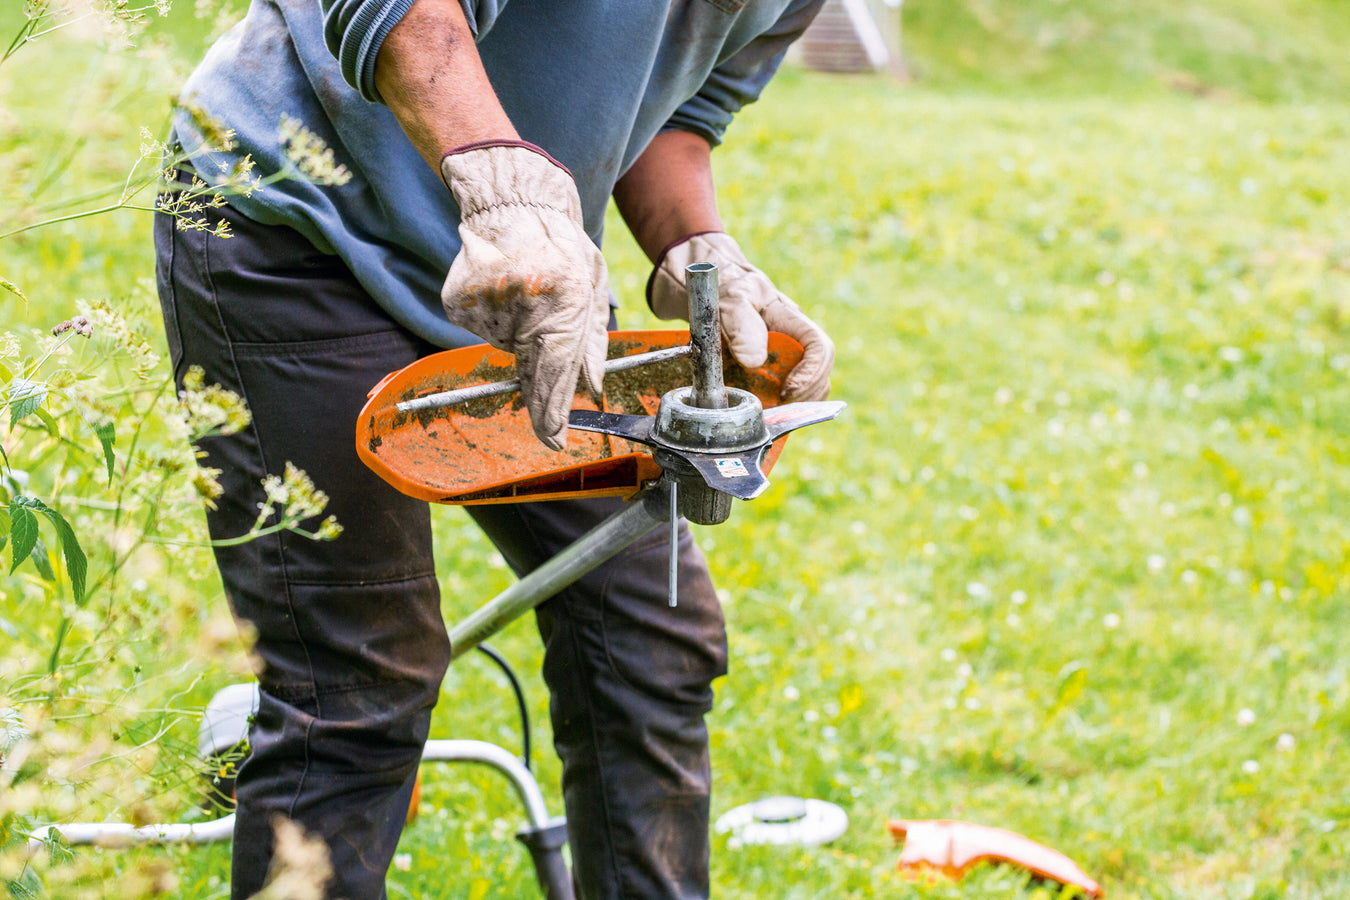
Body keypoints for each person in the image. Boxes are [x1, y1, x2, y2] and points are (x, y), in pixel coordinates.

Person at [155, 1, 835, 897]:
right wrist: (502, 192)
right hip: (298, 228)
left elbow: (671, 112)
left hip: (534, 276)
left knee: (648, 637)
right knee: (358, 684)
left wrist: (694, 243)